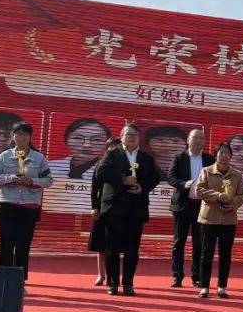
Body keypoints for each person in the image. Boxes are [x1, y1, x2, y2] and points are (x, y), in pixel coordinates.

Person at [95, 123, 160, 295]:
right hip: (114, 208)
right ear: (121, 137)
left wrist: (142, 187)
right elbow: (101, 173)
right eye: (128, 134)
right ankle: (112, 283)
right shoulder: (112, 154)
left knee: (132, 249)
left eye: (135, 135)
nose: (131, 137)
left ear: (139, 139)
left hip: (136, 209)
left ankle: (128, 283)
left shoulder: (146, 157)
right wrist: (123, 179)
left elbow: (155, 177)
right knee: (112, 248)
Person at [0, 122, 54, 280]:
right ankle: (3, 277)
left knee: (23, 245)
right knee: (6, 243)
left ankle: (19, 279)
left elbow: (48, 180)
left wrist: (31, 181)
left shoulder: (39, 158)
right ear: (13, 136)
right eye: (18, 133)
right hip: (7, 205)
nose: (21, 137)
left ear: (30, 137)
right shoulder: (4, 156)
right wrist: (11, 178)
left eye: (25, 134)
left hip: (29, 208)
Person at [166, 128, 216, 288]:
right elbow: (170, 177)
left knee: (199, 243)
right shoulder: (179, 157)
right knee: (178, 242)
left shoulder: (209, 159)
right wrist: (183, 184)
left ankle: (197, 276)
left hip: (201, 206)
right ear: (188, 140)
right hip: (182, 205)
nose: (199, 141)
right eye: (195, 138)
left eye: (201, 138)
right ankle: (177, 275)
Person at [194, 142, 243, 298]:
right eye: (221, 153)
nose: (224, 156)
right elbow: (199, 190)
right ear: (216, 155)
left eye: (227, 153)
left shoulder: (237, 174)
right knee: (206, 253)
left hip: (228, 220)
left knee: (225, 254)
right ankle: (204, 287)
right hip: (209, 219)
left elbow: (241, 195)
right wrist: (218, 196)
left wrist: (232, 204)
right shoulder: (206, 171)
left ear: (231, 156)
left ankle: (222, 286)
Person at [89, 137, 122, 286]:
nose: (113, 150)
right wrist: (94, 207)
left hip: (120, 209)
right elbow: (94, 188)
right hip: (102, 208)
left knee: (117, 245)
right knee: (101, 244)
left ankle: (115, 276)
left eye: (117, 148)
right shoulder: (100, 165)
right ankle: (101, 274)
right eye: (111, 147)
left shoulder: (125, 166)